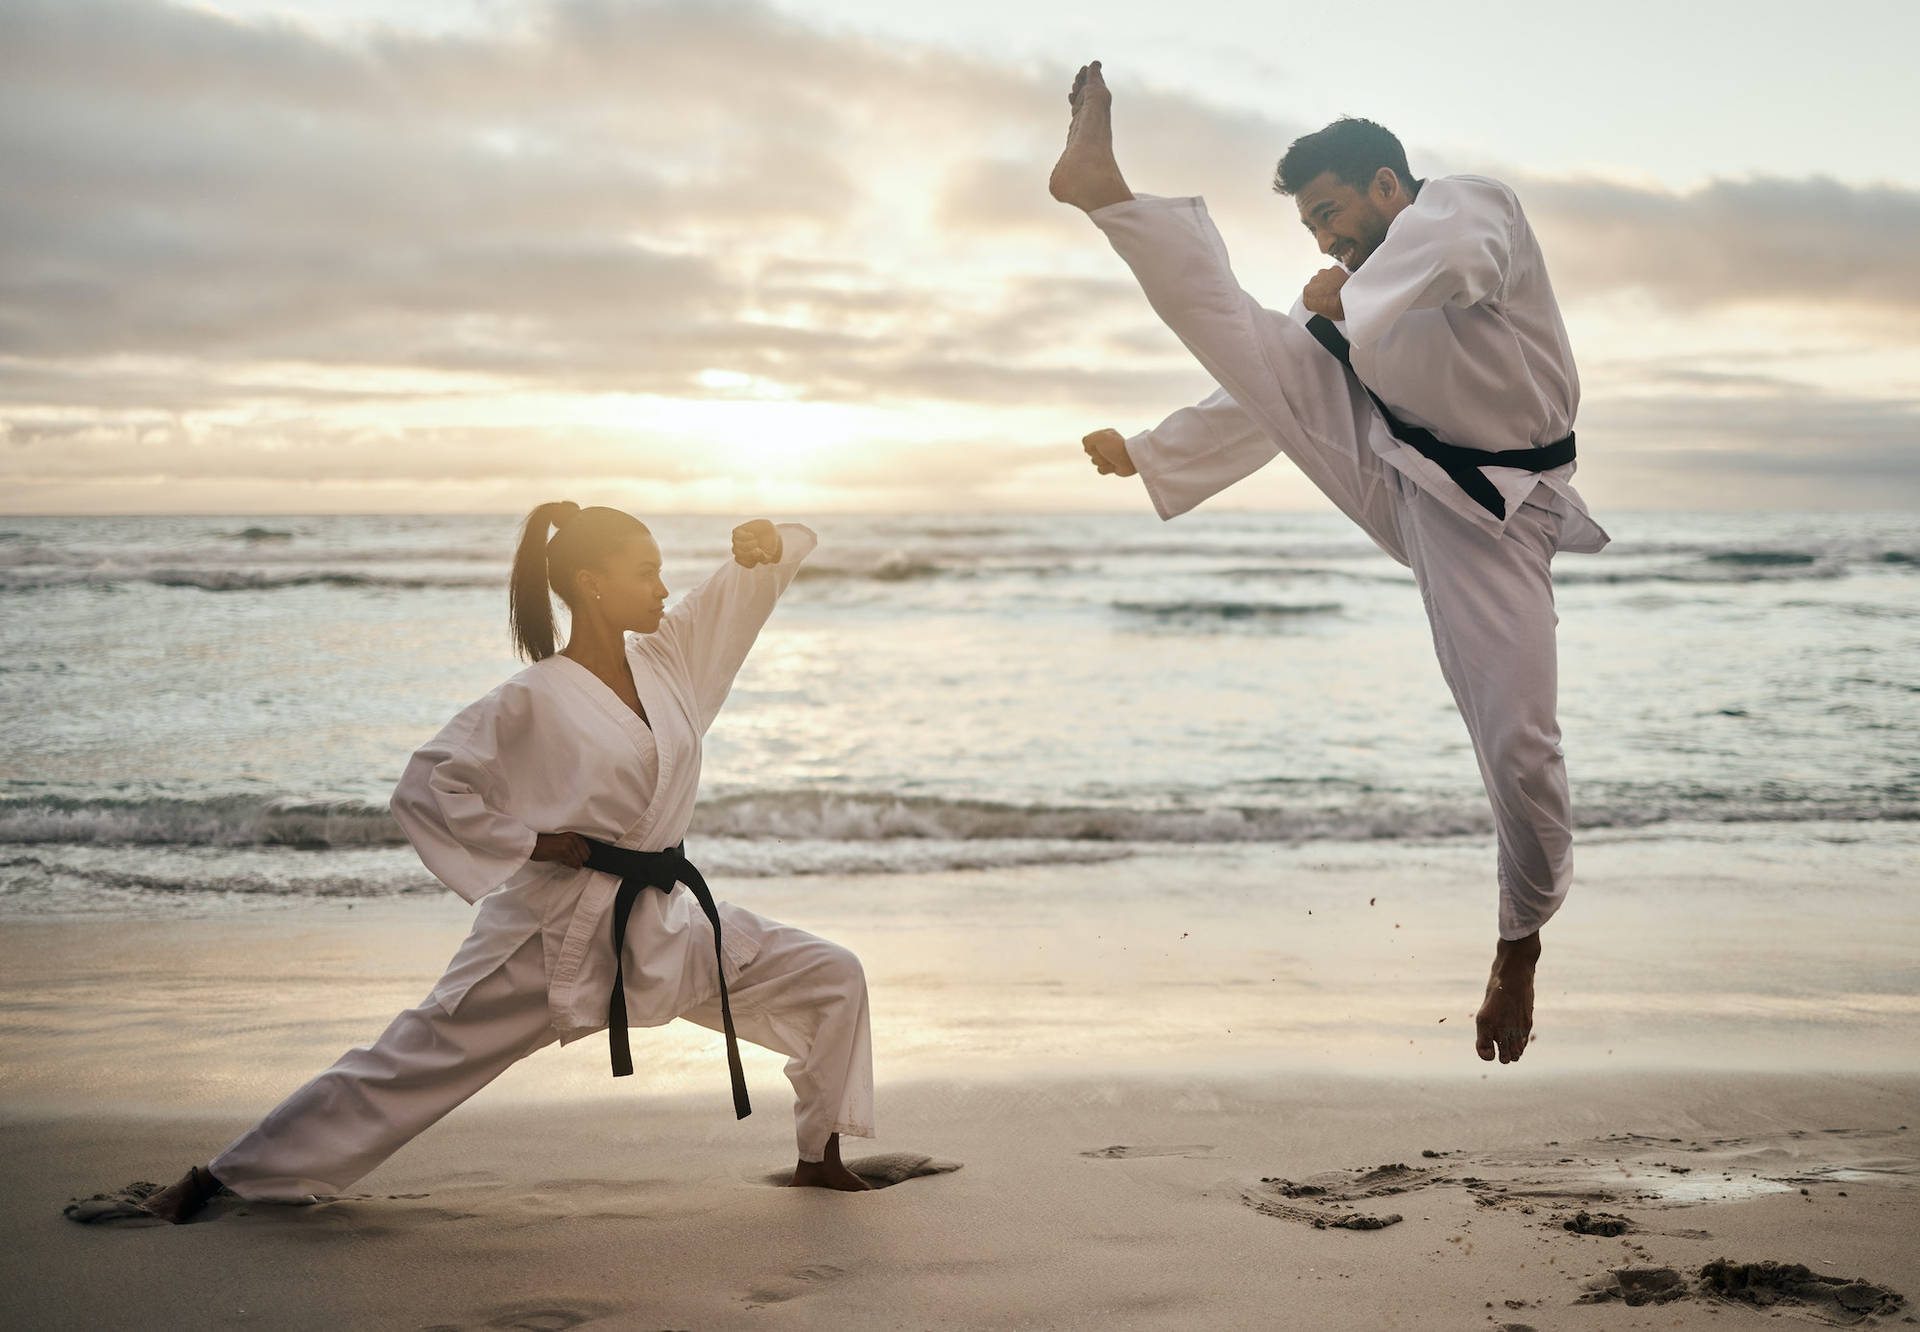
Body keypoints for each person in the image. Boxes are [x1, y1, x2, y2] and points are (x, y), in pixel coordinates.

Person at [1049, 62, 1608, 1066]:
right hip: (1402, 481)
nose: (1324, 237)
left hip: (1496, 525)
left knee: (1519, 746)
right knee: (1257, 338)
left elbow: (1456, 254)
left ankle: (1517, 946)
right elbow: (1272, 389)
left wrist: (1355, 301)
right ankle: (1108, 195)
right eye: (1310, 225)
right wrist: (1151, 450)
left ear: (1389, 185)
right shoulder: (1352, 296)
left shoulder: (1472, 210)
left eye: (1333, 212)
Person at [144, 505, 876, 1222]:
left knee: (831, 974)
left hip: (662, 923)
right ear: (592, 583)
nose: (662, 588)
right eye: (645, 572)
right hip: (554, 932)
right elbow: (430, 783)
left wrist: (765, 545)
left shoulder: (671, 658)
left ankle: (821, 1158)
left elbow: (740, 593)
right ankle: (223, 1176)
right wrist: (530, 842)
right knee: (412, 1059)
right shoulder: (530, 698)